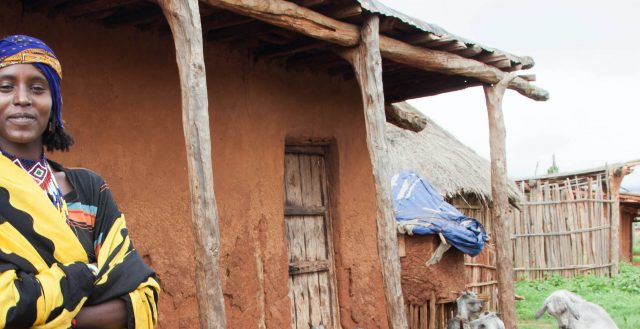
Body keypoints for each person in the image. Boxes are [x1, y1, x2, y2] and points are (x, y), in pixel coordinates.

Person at [0, 35, 159, 328]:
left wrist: (58, 317)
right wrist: (85, 275)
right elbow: (5, 305)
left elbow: (142, 293)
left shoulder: (89, 189)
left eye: (37, 88)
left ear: (54, 103)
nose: (22, 98)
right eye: (6, 86)